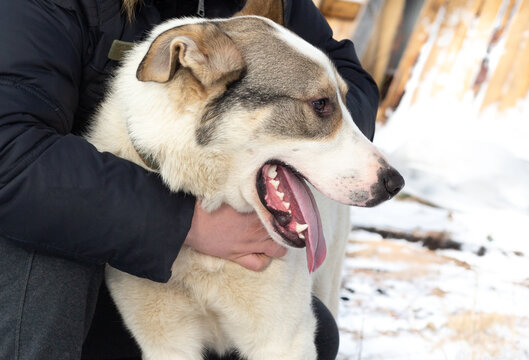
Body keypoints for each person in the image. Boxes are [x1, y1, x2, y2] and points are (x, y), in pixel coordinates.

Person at [0, 0, 379, 359]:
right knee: (49, 256)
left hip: (199, 220)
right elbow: (13, 157)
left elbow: (345, 79)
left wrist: (316, 131)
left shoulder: (274, 7)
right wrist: (190, 223)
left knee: (316, 332)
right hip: (69, 251)